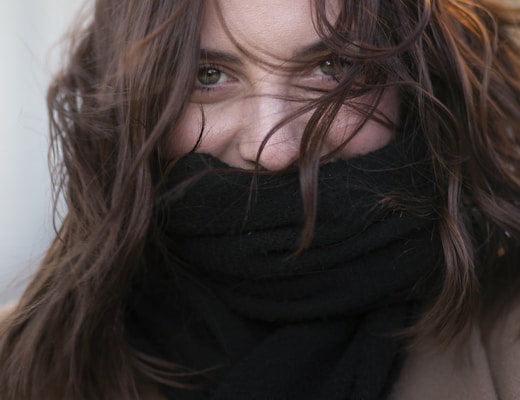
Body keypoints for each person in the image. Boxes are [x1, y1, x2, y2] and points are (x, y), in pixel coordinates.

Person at [1, 0, 519, 398]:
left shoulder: (504, 339)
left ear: (419, 84)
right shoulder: (22, 361)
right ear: (134, 101)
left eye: (333, 67)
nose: (271, 148)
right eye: (209, 77)